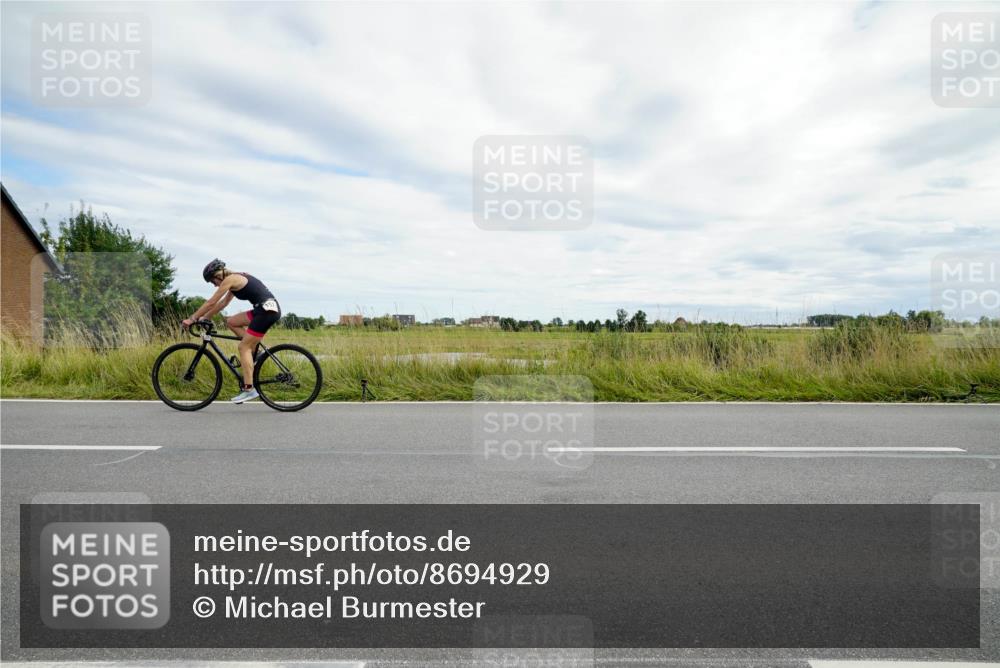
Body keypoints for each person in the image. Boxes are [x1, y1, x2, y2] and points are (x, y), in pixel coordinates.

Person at [182, 259, 282, 403]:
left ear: (218, 275)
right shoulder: (235, 279)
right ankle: (255, 350)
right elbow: (223, 303)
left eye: (212, 281)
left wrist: (192, 319)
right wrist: (205, 318)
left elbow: (211, 302)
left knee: (243, 348)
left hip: (266, 312)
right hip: (262, 309)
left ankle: (249, 390)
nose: (214, 284)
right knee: (232, 322)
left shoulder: (231, 279)